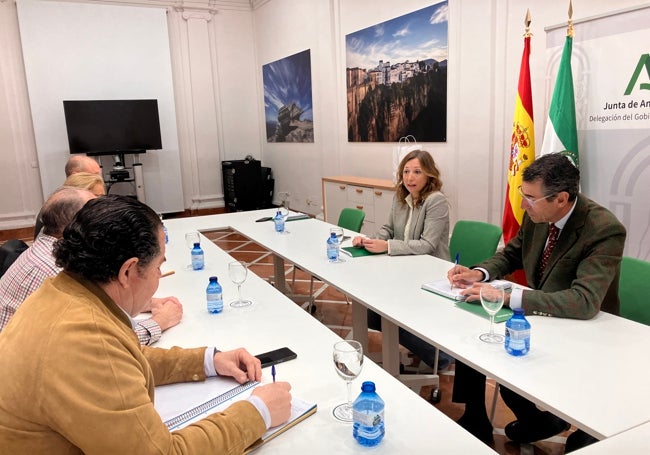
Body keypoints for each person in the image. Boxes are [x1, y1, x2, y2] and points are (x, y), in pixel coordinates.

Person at [0, 195, 292, 453]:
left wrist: (208, 361)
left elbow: (123, 357)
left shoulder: (62, 291)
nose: (159, 276)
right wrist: (257, 413)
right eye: (158, 267)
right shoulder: (83, 338)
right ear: (127, 271)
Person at [447, 153, 626, 450]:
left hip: (583, 329)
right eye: (522, 194)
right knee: (474, 336)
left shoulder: (603, 229)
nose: (522, 204)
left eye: (530, 198)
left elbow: (583, 301)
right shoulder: (539, 215)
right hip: (541, 315)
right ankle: (477, 417)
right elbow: (512, 253)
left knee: (508, 356)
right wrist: (479, 273)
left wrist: (507, 297)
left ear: (561, 198)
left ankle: (551, 422)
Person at [0, 187, 183, 345]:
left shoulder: (44, 249)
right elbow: (105, 342)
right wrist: (160, 321)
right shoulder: (58, 270)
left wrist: (147, 303)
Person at [352, 149, 452, 373]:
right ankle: (417, 346)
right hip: (404, 266)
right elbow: (388, 229)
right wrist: (370, 241)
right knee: (373, 310)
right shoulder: (400, 197)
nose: (410, 177)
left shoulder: (436, 201)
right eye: (406, 171)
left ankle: (440, 356)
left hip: (430, 271)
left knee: (383, 310)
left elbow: (427, 245)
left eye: (417, 171)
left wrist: (386, 247)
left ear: (429, 175)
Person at [33, 155, 103, 239]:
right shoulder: (65, 206)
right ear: (75, 175)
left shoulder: (58, 197)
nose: (99, 178)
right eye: (94, 174)